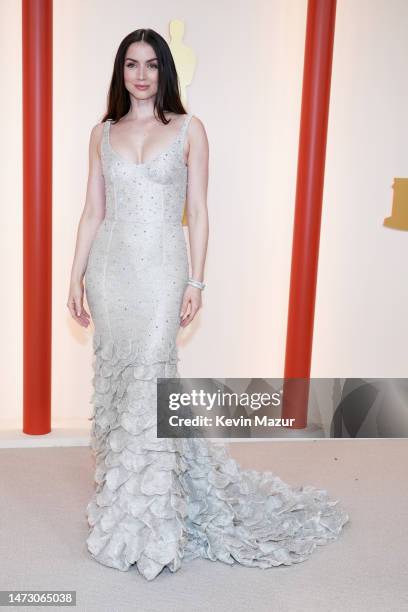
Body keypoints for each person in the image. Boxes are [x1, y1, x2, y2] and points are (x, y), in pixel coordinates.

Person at [67, 28, 349, 582]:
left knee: (152, 378)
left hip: (163, 270)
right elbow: (91, 212)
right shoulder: (101, 133)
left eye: (151, 64)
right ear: (120, 72)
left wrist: (197, 280)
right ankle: (128, 501)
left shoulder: (191, 129)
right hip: (111, 271)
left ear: (165, 70)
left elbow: (197, 209)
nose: (141, 74)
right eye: (131, 64)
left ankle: (148, 524)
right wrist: (74, 278)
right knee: (121, 385)